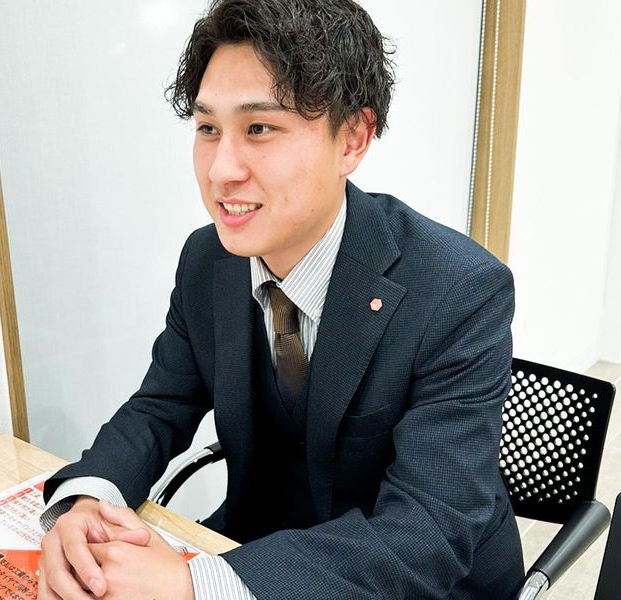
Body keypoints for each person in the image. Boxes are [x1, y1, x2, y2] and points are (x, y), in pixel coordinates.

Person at [37, 1, 525, 598]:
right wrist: (89, 499)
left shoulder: (459, 291)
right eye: (208, 129)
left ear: (353, 139)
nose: (221, 170)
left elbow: (427, 532)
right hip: (255, 551)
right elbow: (160, 405)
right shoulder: (207, 261)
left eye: (259, 129)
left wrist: (195, 585)